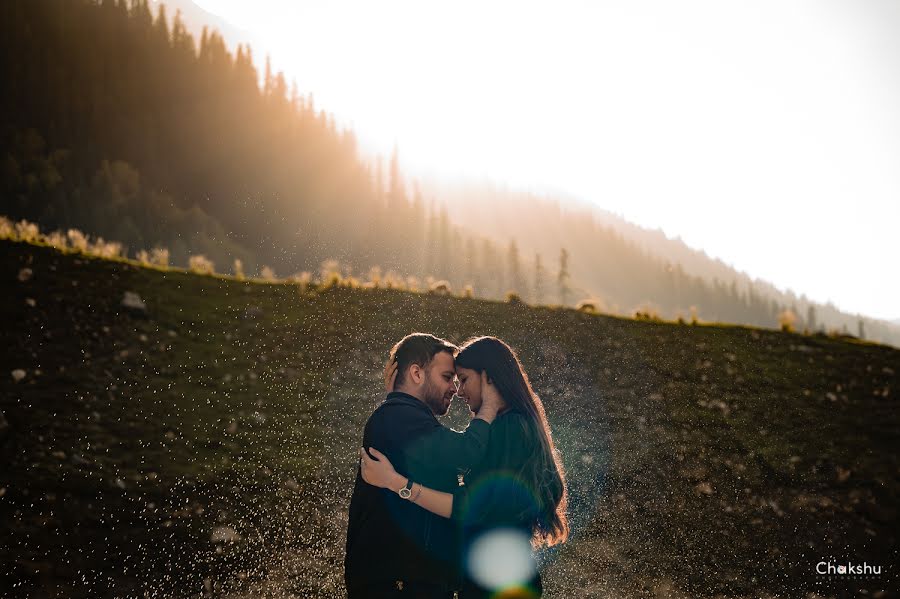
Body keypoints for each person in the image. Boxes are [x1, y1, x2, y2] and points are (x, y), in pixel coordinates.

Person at [360, 336, 569, 599]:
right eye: (452, 380)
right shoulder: (513, 426)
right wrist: (402, 398)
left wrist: (398, 484)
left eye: (464, 380)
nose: (458, 391)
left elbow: (468, 506)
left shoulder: (510, 429)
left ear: (489, 378)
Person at [344, 333, 504, 598]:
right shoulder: (398, 417)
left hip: (405, 581)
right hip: (401, 584)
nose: (454, 388)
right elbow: (464, 454)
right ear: (416, 373)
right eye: (446, 378)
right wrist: (489, 408)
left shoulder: (403, 418)